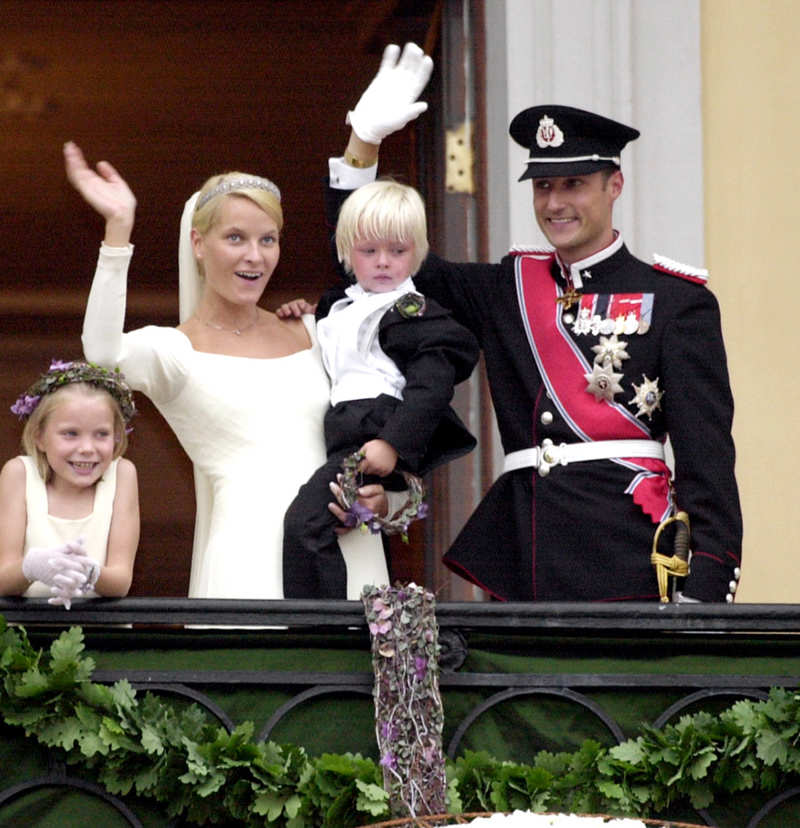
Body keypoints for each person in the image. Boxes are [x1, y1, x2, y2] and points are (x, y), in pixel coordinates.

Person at [326, 99, 742, 603]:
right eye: (543, 186)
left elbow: (707, 459)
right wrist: (362, 147)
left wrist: (706, 584)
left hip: (627, 561)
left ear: (615, 185)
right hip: (526, 562)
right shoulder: (508, 288)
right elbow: (375, 254)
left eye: (574, 184)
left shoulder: (676, 301)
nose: (554, 203)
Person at [66, 43, 434, 600]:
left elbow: (379, 426)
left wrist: (392, 498)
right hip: (247, 565)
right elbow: (100, 355)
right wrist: (119, 228)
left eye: (268, 240)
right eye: (235, 238)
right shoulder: (173, 352)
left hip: (350, 551)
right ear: (199, 243)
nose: (254, 257)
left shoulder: (317, 332)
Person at [282, 179, 479, 598]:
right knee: (325, 524)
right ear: (347, 252)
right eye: (369, 251)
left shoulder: (417, 314)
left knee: (305, 525)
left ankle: (319, 633)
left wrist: (392, 444)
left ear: (419, 251)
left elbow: (431, 388)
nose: (384, 262)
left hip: (372, 437)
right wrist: (298, 312)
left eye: (398, 251)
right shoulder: (339, 304)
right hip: (342, 438)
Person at [0, 360, 140, 607]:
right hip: (29, 636)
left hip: (103, 636)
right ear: (39, 436)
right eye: (70, 434)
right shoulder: (18, 473)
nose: (87, 449)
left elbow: (121, 580)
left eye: (102, 434)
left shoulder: (122, 474)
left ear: (117, 436)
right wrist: (32, 567)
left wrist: (89, 572)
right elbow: (3, 579)